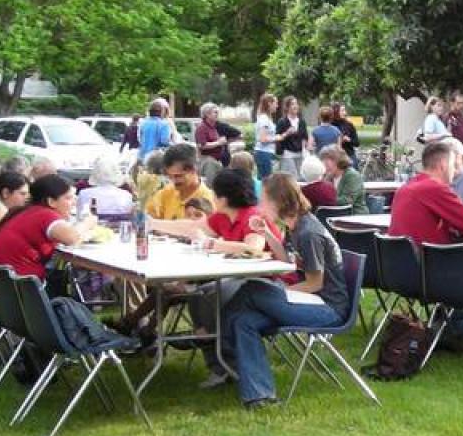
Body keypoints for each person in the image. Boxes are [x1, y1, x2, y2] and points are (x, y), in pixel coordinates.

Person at [223, 173, 350, 409]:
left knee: (251, 289)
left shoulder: (309, 233)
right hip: (308, 300)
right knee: (244, 320)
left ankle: (220, 342)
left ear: (278, 201)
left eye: (263, 200)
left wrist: (283, 291)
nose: (260, 206)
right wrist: (267, 233)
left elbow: (315, 283)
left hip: (326, 308)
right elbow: (287, 260)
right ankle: (260, 396)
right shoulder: (296, 226)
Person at [151, 168, 282, 389]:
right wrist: (153, 224)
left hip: (263, 281)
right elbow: (193, 228)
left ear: (222, 198)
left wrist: (213, 243)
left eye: (214, 193)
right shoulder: (222, 217)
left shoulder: (252, 217)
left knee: (209, 294)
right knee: (199, 293)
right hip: (235, 276)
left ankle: (225, 361)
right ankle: (217, 360)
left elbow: (253, 248)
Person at [0, 174, 94, 299]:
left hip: (1, 294)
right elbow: (71, 238)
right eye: (68, 198)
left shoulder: (27, 212)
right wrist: (87, 223)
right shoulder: (44, 215)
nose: (73, 203)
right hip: (19, 298)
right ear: (51, 201)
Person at [389, 141, 463, 245]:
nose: (454, 170)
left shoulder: (404, 189)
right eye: (453, 165)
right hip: (429, 258)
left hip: (398, 258)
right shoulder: (434, 188)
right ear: (443, 165)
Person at [145, 144, 215, 220]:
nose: (173, 181)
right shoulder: (167, 192)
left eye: (178, 176)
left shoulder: (208, 202)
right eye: (170, 176)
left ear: (194, 170)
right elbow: (149, 216)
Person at [321, 146, 368, 215]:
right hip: (334, 214)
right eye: (323, 162)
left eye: (327, 163)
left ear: (338, 161)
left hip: (354, 215)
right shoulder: (328, 176)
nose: (324, 165)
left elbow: (348, 200)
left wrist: (324, 200)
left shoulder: (352, 175)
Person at [274, 95, 307, 179]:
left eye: (296, 104)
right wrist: (287, 133)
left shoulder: (301, 121)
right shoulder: (282, 121)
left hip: (300, 153)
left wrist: (304, 150)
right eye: (292, 104)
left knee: (301, 178)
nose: (295, 106)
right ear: (287, 107)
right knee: (291, 178)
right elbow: (277, 137)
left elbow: (304, 137)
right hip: (287, 154)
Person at [194, 103, 228, 171]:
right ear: (207, 114)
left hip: (216, 160)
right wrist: (219, 142)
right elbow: (201, 145)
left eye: (217, 112)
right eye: (215, 112)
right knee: (210, 181)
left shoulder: (213, 127)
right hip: (208, 161)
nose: (217, 114)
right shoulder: (202, 128)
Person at [252, 93, 279, 179]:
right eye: (276, 103)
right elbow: (263, 139)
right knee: (266, 181)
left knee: (264, 180)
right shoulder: (264, 119)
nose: (277, 106)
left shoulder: (266, 118)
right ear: (269, 104)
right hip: (263, 153)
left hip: (264, 153)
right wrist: (277, 138)